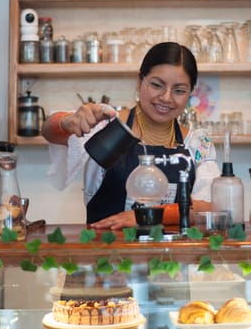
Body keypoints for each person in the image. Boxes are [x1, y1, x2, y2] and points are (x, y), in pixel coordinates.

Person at [41, 42, 220, 230]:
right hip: (106, 253)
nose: (167, 98)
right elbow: (48, 131)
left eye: (179, 90)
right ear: (139, 80)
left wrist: (146, 216)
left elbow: (210, 208)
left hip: (171, 256)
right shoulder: (106, 126)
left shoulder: (197, 144)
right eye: (157, 85)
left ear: (190, 93)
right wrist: (67, 121)